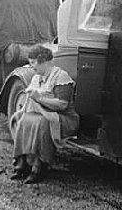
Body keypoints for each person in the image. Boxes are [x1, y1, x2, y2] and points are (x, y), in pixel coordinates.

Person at [9, 45, 79, 184]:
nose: (31, 66)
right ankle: (22, 163)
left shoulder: (60, 76)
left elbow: (63, 104)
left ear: (44, 61)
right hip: (45, 113)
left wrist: (40, 99)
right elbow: (30, 98)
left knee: (41, 123)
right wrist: (21, 112)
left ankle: (39, 166)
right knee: (23, 120)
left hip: (63, 118)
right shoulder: (37, 77)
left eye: (33, 62)